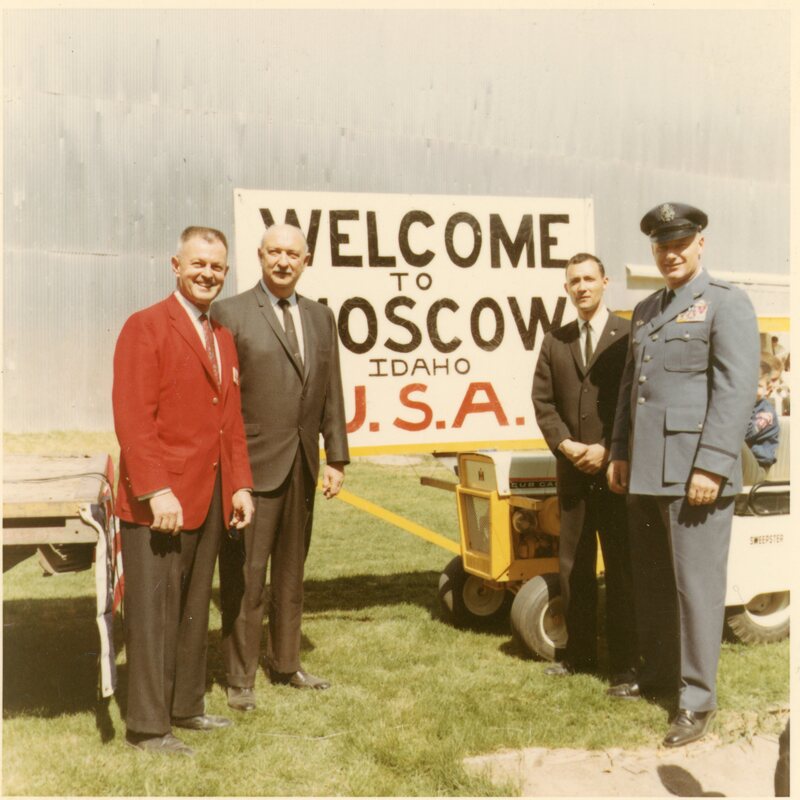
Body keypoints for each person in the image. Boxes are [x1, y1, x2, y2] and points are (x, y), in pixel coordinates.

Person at [607, 202, 759, 747]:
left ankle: (696, 701)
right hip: (645, 471)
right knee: (653, 585)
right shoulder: (647, 309)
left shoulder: (726, 304)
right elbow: (632, 389)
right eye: (660, 246)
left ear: (700, 244)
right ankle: (659, 675)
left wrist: (713, 465)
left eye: (679, 244)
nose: (669, 254)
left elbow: (736, 390)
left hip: (695, 473)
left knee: (695, 588)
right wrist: (619, 451)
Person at [113, 226, 254, 756]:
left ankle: (186, 706)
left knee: (194, 606)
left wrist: (240, 486)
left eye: (217, 267)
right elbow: (133, 419)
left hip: (211, 498)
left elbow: (230, 424)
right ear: (175, 264)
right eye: (198, 264)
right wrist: (155, 491)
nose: (207, 274)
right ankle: (148, 728)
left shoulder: (221, 336)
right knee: (154, 616)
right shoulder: (145, 327)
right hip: (162, 504)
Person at [212, 223, 350, 712]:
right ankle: (240, 677)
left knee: (292, 573)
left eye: (292, 253)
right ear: (260, 256)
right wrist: (233, 475)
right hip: (251, 471)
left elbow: (330, 386)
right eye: (274, 252)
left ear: (306, 259)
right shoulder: (228, 313)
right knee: (247, 576)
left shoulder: (320, 317)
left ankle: (286, 663)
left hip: (303, 468)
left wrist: (335, 457)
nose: (283, 261)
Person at [532, 253, 636, 685]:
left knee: (621, 565)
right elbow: (543, 403)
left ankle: (626, 662)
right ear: (567, 289)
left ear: (605, 282)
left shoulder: (629, 336)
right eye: (574, 281)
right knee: (574, 564)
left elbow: (634, 401)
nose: (582, 287)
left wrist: (608, 448)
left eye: (589, 279)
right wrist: (567, 445)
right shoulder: (555, 341)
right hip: (574, 471)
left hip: (615, 473)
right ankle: (579, 656)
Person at [741, 359, 780, 483]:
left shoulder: (766, 414)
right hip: (742, 462)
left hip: (758, 467)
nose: (751, 389)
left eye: (758, 386)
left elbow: (743, 432)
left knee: (733, 439)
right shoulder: (749, 405)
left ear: (767, 389)